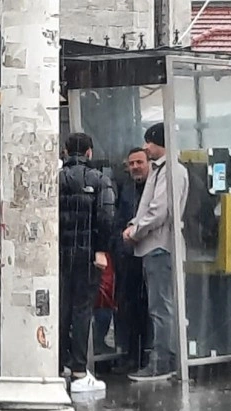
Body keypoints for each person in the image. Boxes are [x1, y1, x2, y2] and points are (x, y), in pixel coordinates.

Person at [124, 122, 189, 381]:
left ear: (157, 142)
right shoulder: (163, 169)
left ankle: (163, 362)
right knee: (161, 306)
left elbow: (159, 210)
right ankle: (165, 359)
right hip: (156, 245)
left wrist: (135, 230)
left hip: (159, 245)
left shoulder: (169, 170)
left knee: (161, 307)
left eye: (148, 142)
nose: (145, 147)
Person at [59, 132, 115, 393]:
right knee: (82, 310)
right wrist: (101, 250)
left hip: (58, 255)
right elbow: (106, 218)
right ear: (89, 152)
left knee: (61, 309)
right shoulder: (100, 179)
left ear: (65, 151)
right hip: (87, 254)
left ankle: (58, 366)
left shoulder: (54, 180)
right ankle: (80, 371)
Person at [113, 148, 151, 372]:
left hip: (150, 252)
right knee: (129, 306)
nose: (135, 167)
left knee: (151, 307)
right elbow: (118, 217)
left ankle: (147, 353)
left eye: (139, 162)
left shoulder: (155, 187)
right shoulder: (126, 188)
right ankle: (131, 354)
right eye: (131, 163)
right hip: (128, 256)